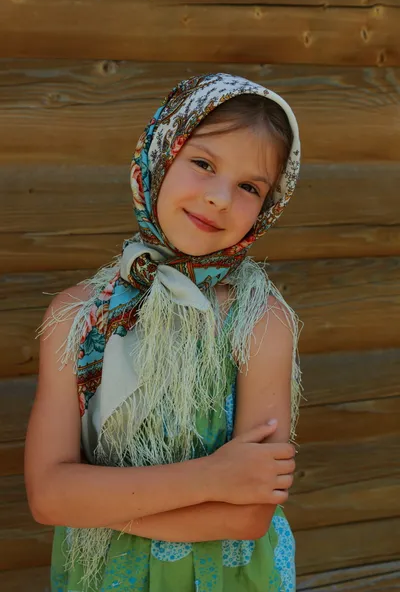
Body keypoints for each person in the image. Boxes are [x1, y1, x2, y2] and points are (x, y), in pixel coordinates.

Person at [24, 73, 302, 592]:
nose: (220, 197)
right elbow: (48, 495)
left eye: (249, 187)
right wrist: (212, 479)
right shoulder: (78, 316)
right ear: (158, 156)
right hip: (104, 578)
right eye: (203, 163)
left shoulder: (260, 321)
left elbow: (247, 517)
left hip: (231, 576)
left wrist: (97, 506)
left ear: (268, 208)